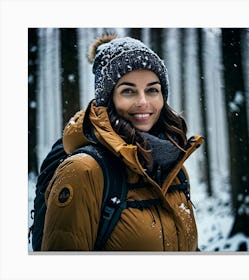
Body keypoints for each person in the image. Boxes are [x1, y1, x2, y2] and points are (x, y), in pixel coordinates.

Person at [41, 34, 204, 251]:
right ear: (108, 99)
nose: (143, 102)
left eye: (152, 89)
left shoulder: (175, 168)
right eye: (128, 91)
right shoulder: (84, 171)